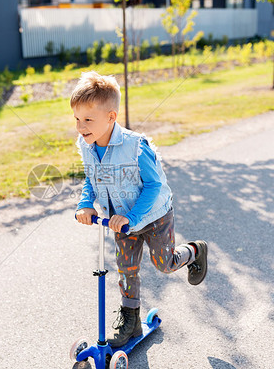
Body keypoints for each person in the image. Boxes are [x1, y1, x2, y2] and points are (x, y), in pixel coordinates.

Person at [73, 71, 208, 348]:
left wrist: (132, 217)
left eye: (88, 119)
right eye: (76, 118)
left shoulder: (135, 146)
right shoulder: (86, 145)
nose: (80, 126)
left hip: (153, 216)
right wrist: (86, 203)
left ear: (111, 117)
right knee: (126, 268)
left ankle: (195, 250)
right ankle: (131, 320)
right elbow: (91, 178)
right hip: (120, 222)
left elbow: (154, 185)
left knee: (165, 265)